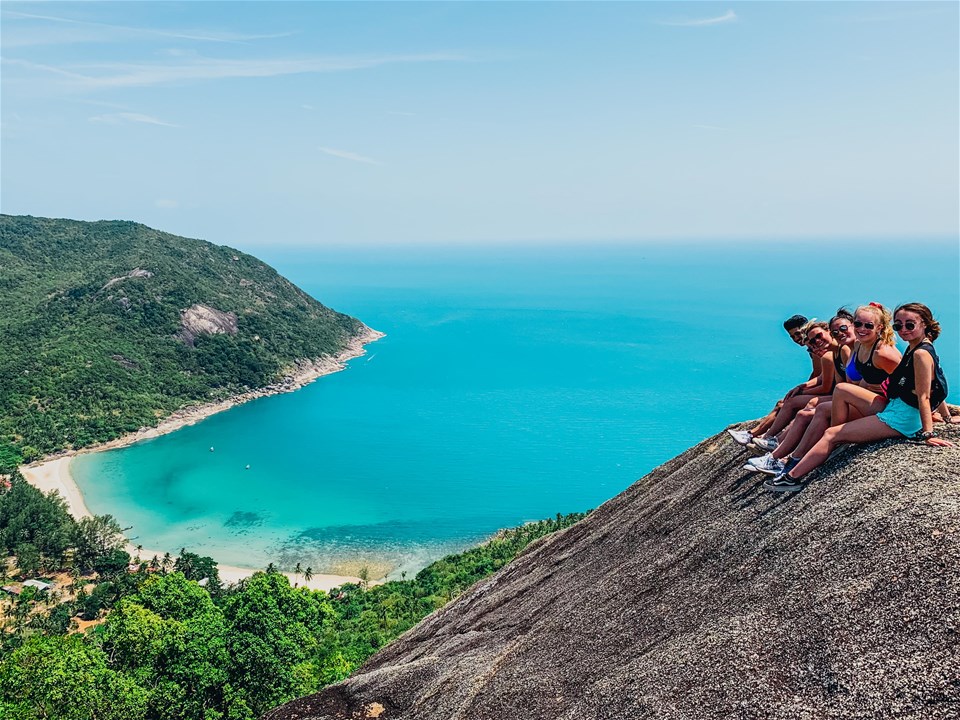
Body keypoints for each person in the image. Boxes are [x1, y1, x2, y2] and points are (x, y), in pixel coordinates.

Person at [764, 302, 953, 492]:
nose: (903, 330)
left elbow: (924, 396)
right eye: (898, 325)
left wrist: (928, 434)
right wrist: (947, 418)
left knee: (831, 435)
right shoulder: (917, 347)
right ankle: (831, 440)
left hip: (902, 418)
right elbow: (936, 384)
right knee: (843, 390)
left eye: (910, 325)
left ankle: (791, 478)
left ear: (925, 325)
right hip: (896, 407)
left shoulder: (919, 353)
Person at [746, 311, 855, 475]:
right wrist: (802, 388)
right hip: (845, 398)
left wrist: (804, 390)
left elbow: (835, 386)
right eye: (810, 342)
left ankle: (779, 452)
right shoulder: (833, 354)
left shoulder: (843, 351)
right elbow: (833, 382)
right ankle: (776, 452)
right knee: (797, 407)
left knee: (808, 408)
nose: (815, 343)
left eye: (818, 337)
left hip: (855, 401)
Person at [727, 314, 818, 445]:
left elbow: (822, 376)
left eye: (798, 334)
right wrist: (803, 388)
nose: (796, 339)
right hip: (822, 386)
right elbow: (816, 373)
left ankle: (765, 438)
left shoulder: (818, 349)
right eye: (792, 337)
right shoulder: (813, 349)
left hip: (827, 390)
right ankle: (754, 434)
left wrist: (803, 389)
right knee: (782, 403)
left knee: (789, 403)